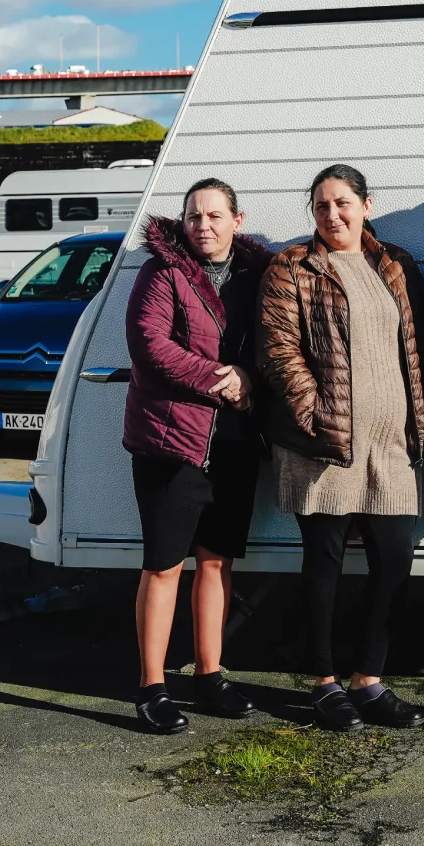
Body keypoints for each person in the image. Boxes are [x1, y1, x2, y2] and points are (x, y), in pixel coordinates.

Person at [256, 164, 424, 732]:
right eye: (321, 206)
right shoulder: (292, 266)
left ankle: (369, 679)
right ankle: (324, 681)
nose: (332, 215)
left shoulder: (394, 265)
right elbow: (277, 348)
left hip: (390, 445)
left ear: (366, 205)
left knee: (395, 561)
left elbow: (417, 347)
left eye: (342, 203)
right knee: (325, 564)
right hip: (324, 445)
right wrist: (316, 414)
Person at [121, 177, 273, 734]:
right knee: (163, 566)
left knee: (216, 560)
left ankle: (209, 675)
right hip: (171, 442)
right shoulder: (161, 272)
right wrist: (221, 380)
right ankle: (152, 686)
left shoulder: (258, 276)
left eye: (214, 216)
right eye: (193, 217)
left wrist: (249, 376)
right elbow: (149, 343)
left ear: (237, 219)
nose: (202, 226)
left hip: (234, 442)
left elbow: (274, 344)